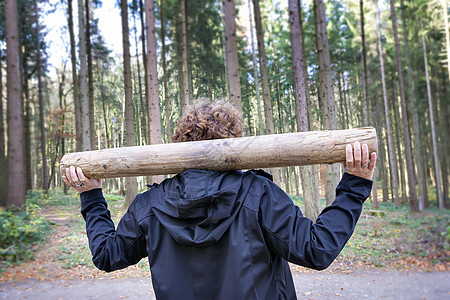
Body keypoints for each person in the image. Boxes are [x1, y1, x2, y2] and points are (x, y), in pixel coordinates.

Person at [63, 101, 377, 300]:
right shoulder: (258, 194)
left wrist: (91, 195)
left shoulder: (150, 206)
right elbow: (318, 249)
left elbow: (106, 255)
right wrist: (354, 185)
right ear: (236, 144)